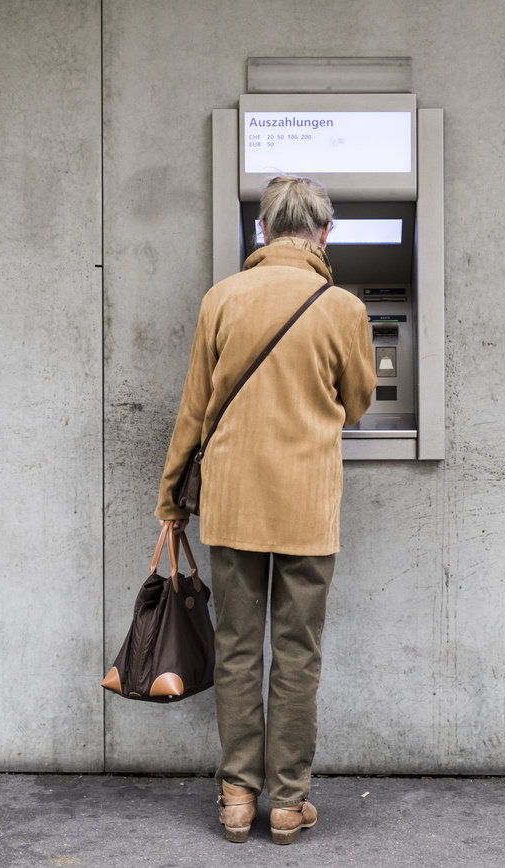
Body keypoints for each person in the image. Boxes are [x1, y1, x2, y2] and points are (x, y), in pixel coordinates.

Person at [155, 175, 376, 845]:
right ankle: (287, 802)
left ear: (262, 230)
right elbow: (358, 403)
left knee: (237, 648)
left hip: (234, 503)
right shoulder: (345, 309)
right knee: (298, 651)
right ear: (325, 233)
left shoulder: (221, 299)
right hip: (307, 505)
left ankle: (235, 797)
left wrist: (171, 499)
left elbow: (194, 409)